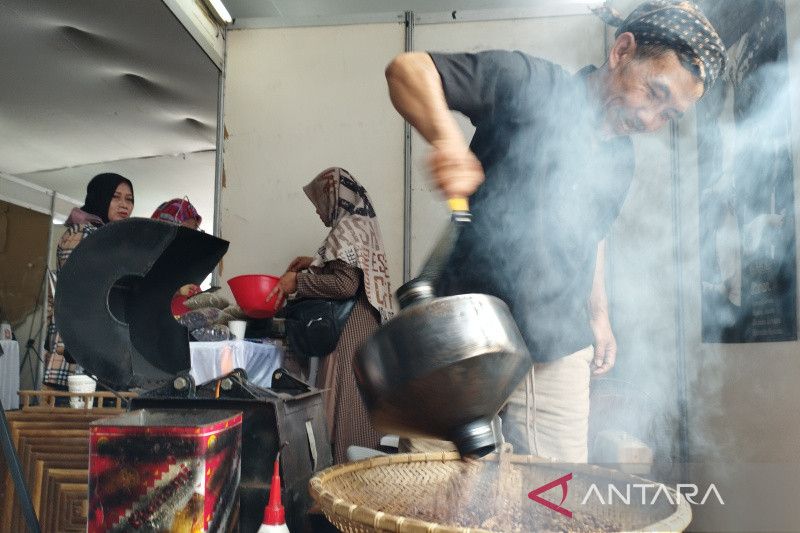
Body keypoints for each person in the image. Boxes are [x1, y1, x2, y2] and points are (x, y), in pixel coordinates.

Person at [385, 0, 726, 461]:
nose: (650, 119)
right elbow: (408, 70)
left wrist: (599, 314)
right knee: (431, 491)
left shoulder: (621, 158)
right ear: (622, 51)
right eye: (653, 92)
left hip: (558, 343)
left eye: (668, 114)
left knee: (556, 498)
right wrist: (446, 140)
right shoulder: (530, 83)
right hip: (464, 333)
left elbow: (593, 234)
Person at [268, 167, 395, 463]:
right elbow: (353, 272)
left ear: (333, 196)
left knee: (344, 409)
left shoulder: (345, 228)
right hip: (366, 328)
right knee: (360, 409)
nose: (317, 212)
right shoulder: (363, 224)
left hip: (348, 332)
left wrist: (295, 282)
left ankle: (340, 482)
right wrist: (315, 262)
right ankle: (361, 482)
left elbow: (344, 284)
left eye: (318, 204)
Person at [43, 173, 134, 388]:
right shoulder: (81, 233)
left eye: (129, 199)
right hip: (76, 353)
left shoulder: (113, 238)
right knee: (74, 417)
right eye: (116, 197)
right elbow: (82, 286)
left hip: (102, 350)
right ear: (100, 197)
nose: (124, 205)